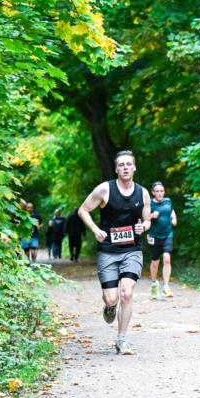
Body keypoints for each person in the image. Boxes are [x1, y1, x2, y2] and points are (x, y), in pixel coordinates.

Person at [77, 151, 151, 355]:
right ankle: (110, 307)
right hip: (108, 251)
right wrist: (95, 230)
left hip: (132, 250)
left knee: (127, 294)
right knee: (112, 299)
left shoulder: (142, 192)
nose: (125, 167)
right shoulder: (104, 189)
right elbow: (83, 210)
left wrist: (143, 228)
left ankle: (122, 340)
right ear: (116, 169)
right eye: (121, 165)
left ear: (134, 167)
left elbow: (147, 220)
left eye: (129, 164)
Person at [147, 181, 178, 299]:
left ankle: (166, 287)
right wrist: (150, 216)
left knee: (167, 259)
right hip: (154, 236)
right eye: (157, 191)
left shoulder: (168, 201)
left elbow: (172, 212)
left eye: (161, 191)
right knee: (155, 262)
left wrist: (174, 219)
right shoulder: (149, 204)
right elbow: (143, 218)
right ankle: (154, 284)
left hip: (167, 235)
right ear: (153, 193)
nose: (160, 193)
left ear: (164, 192)